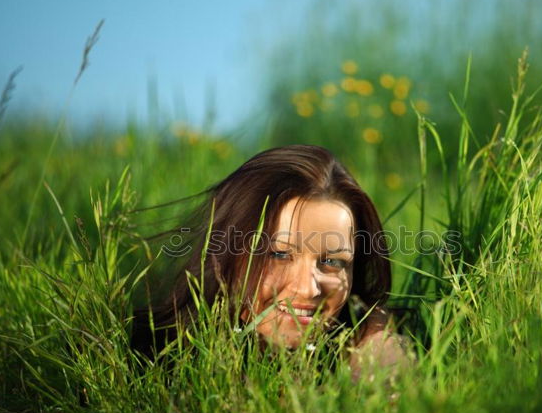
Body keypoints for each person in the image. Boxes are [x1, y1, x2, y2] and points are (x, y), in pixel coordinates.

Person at [130, 145, 410, 378]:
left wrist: (377, 339)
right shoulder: (145, 357)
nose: (308, 289)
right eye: (279, 254)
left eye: (333, 262)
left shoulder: (367, 340)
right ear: (226, 254)